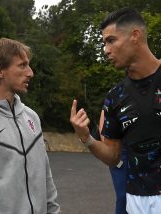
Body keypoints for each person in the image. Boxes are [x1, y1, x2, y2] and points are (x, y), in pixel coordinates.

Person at [70, 8, 161, 214]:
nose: (106, 50)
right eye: (104, 43)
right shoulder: (115, 97)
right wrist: (86, 138)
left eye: (111, 40)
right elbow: (113, 157)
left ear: (135, 36)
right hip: (136, 201)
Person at [0, 38, 60, 213]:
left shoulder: (31, 116)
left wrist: (53, 211)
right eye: (22, 65)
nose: (30, 73)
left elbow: (45, 173)